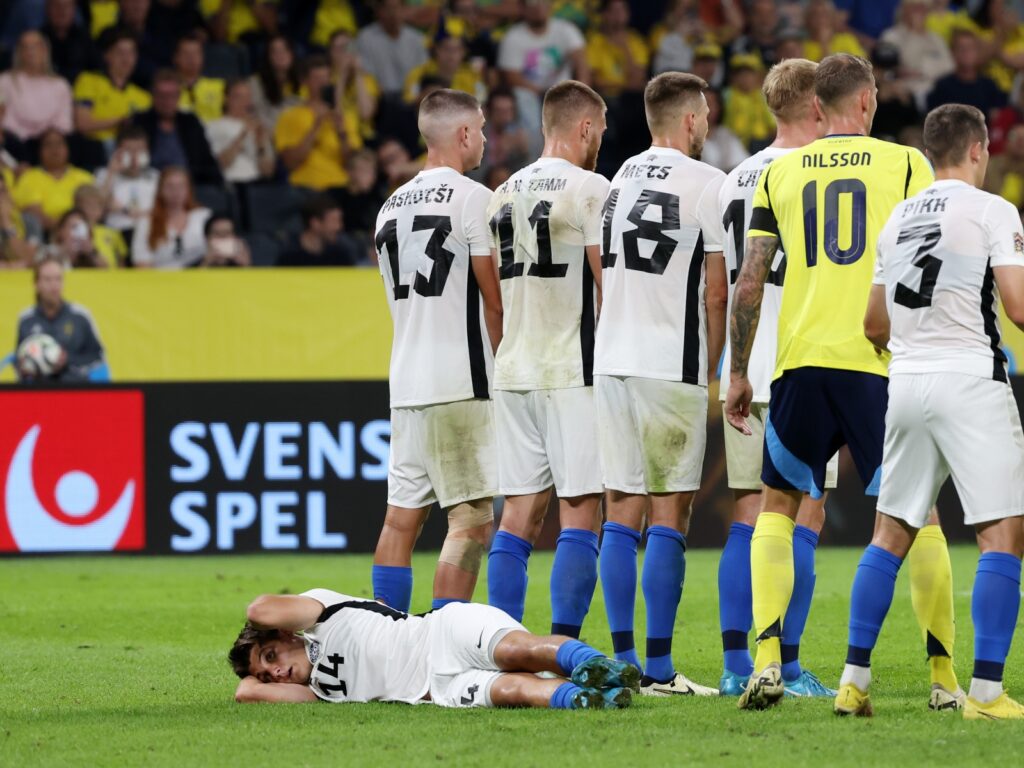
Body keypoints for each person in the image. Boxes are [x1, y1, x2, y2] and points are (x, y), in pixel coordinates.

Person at [725, 53, 962, 712]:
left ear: (818, 107)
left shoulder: (779, 171)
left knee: (775, 507)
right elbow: (929, 266)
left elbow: (750, 281)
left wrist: (739, 370)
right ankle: (943, 678)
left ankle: (765, 662)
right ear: (865, 103)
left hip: (799, 360)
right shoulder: (907, 165)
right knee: (919, 513)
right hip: (878, 361)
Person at [837, 103, 1024, 721]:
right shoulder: (994, 210)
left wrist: (915, 346)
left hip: (907, 383)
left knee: (888, 533)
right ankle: (988, 696)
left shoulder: (896, 220)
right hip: (970, 378)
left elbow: (873, 323)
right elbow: (1018, 307)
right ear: (977, 150)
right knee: (1001, 534)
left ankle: (853, 682)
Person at [594, 72, 724, 697]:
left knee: (619, 511)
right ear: (690, 120)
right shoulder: (709, 183)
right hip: (671, 361)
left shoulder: (618, 181)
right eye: (704, 115)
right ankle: (660, 670)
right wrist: (722, 367)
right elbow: (720, 289)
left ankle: (622, 660)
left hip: (611, 357)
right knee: (670, 513)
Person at [717, 59, 840, 699]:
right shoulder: (826, 172)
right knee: (805, 517)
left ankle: (738, 663)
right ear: (818, 104)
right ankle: (789, 666)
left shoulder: (733, 179)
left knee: (748, 516)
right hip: (806, 360)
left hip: (745, 362)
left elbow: (728, 284)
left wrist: (730, 367)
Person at [369, 89, 503, 614]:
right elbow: (493, 302)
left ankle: (385, 637)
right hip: (462, 381)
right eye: (483, 129)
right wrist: (506, 370)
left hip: (406, 382)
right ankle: (446, 641)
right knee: (470, 519)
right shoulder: (474, 199)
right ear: (465, 134)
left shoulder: (387, 208)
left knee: (400, 520)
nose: (486, 139)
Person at [484, 81, 608, 642]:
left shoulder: (500, 192)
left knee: (518, 515)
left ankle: (502, 643)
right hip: (571, 368)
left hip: (513, 367)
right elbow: (606, 284)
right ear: (584, 128)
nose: (600, 139)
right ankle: (562, 644)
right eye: (600, 131)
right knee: (580, 511)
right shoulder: (590, 188)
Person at [228, 588, 638, 709]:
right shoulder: (317, 690)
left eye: (270, 658)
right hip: (438, 690)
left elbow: (258, 607)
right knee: (515, 691)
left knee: (518, 651)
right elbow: (245, 692)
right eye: (267, 674)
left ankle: (598, 666)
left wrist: (265, 629)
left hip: (442, 632)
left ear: (283, 634)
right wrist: (255, 675)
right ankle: (586, 699)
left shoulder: (319, 611)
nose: (276, 674)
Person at [497, 0, 590, 147]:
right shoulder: (513, 36)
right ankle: (537, 151)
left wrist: (583, 90)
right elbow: (511, 76)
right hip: (530, 92)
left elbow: (580, 61)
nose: (538, 8)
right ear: (523, 9)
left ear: (550, 6)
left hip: (563, 90)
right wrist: (541, 92)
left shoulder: (565, 29)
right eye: (532, 4)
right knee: (524, 98)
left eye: (543, 3)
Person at [274, 55, 361, 193]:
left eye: (326, 78)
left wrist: (342, 133)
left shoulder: (345, 116)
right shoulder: (289, 116)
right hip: (306, 187)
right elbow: (290, 162)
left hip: (341, 186)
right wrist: (316, 126)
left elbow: (353, 163)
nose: (323, 83)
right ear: (304, 81)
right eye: (317, 79)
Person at [15, 256, 106, 381]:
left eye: (58, 279)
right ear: (36, 284)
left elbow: (98, 358)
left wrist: (67, 360)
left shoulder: (80, 316)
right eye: (48, 279)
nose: (54, 285)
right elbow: (19, 360)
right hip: (38, 395)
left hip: (75, 393)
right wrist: (26, 366)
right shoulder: (26, 319)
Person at [132, 68, 223, 185]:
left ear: (179, 96)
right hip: (149, 186)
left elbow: (207, 160)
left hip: (189, 187)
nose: (167, 101)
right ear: (153, 95)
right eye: (162, 95)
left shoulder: (191, 122)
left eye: (172, 95)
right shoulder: (140, 122)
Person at [0, 31, 74, 162]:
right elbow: (4, 118)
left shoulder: (60, 85)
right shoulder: (5, 81)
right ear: (18, 52)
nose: (30, 51)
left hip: (49, 143)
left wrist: (45, 137)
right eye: (25, 47)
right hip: (15, 144)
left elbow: (64, 123)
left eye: (35, 46)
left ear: (45, 50)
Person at [73, 27, 151, 147]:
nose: (126, 58)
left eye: (131, 52)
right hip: (95, 148)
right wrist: (119, 121)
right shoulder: (88, 81)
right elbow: (82, 124)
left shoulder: (144, 97)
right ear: (107, 55)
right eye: (120, 52)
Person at [12, 129, 95, 233]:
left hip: (84, 232)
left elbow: (93, 210)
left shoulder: (84, 177)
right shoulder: (29, 178)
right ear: (39, 151)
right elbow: (34, 215)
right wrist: (66, 230)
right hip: (47, 234)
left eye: (59, 143)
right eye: (48, 144)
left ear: (68, 149)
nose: (54, 149)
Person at [878, 0, 954, 110]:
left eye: (922, 7)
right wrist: (914, 33)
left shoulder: (936, 39)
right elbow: (898, 66)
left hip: (933, 93)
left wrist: (921, 71)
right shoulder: (891, 37)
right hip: (904, 94)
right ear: (904, 10)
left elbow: (949, 67)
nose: (918, 11)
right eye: (914, 7)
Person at [131, 166, 211, 268]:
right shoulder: (146, 222)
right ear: (160, 191)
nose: (176, 191)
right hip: (161, 281)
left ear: (189, 189)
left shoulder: (204, 216)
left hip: (201, 278)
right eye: (170, 186)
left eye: (181, 186)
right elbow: (141, 265)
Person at [94, 125, 159, 240]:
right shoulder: (104, 175)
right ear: (118, 151)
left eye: (140, 150)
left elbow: (165, 210)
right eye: (129, 150)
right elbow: (96, 210)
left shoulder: (156, 176)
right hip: (116, 234)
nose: (135, 156)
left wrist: (124, 210)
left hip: (150, 234)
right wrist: (111, 173)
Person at [205, 79, 275, 184]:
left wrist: (261, 145)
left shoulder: (257, 127)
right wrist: (242, 136)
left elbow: (267, 172)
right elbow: (219, 165)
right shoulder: (213, 126)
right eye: (239, 97)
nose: (245, 102)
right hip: (230, 183)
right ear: (226, 98)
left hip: (257, 184)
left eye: (248, 97)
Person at [355, 0, 429, 99]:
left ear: (404, 9)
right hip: (379, 100)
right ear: (379, 11)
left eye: (397, 8)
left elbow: (423, 73)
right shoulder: (365, 38)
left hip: (412, 99)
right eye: (388, 8)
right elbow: (366, 73)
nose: (393, 13)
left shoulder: (417, 39)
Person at [926, 29, 1007, 118]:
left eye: (970, 48)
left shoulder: (989, 86)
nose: (966, 52)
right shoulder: (942, 87)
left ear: (978, 52)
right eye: (961, 48)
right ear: (953, 52)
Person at [279, 194, 360, 267]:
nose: (339, 227)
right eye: (333, 221)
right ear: (315, 223)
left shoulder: (340, 256)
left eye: (339, 221)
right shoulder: (289, 257)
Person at [249, 35, 301, 136]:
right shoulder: (255, 83)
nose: (280, 55)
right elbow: (255, 116)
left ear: (292, 54)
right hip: (267, 136)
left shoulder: (303, 82)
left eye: (284, 50)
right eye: (275, 51)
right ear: (268, 57)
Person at [173, 32, 226, 123]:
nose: (191, 58)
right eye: (186, 54)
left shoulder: (220, 86)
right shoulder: (168, 90)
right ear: (176, 58)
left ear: (202, 57)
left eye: (195, 53)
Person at [41, 0, 96, 84]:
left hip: (79, 89)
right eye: (56, 6)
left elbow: (96, 69)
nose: (62, 10)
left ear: (74, 10)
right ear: (47, 9)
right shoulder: (38, 39)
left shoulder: (85, 38)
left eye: (67, 6)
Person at [74, 184, 127, 268]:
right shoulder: (74, 230)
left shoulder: (112, 232)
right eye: (88, 205)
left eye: (98, 205)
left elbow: (121, 259)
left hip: (112, 277)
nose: (93, 209)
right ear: (78, 207)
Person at [40, 209, 107, 269]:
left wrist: (91, 253)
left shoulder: (92, 254)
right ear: (61, 231)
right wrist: (64, 252)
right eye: (73, 227)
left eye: (81, 228)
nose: (77, 233)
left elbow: (106, 271)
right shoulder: (48, 251)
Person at [701, 88, 749, 173]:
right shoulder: (686, 136)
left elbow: (742, 164)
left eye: (714, 103)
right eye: (707, 103)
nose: (710, 108)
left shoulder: (725, 134)